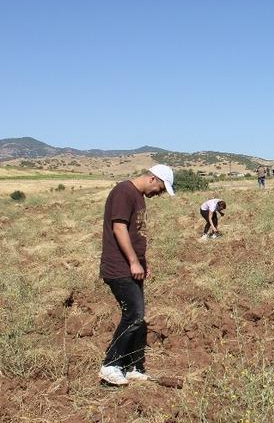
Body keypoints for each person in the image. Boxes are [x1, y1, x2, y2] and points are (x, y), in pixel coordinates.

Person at [98, 164, 174, 386]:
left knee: (137, 317)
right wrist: (133, 262)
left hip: (132, 267)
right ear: (152, 179)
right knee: (134, 315)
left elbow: (136, 233)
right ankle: (111, 365)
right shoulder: (124, 191)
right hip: (119, 267)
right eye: (160, 188)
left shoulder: (138, 196)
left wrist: (142, 262)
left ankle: (130, 367)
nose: (159, 193)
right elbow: (119, 229)